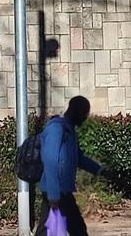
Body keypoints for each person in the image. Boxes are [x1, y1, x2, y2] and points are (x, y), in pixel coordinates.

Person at [35, 96, 105, 236]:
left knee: (72, 229)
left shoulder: (69, 130)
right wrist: (54, 195)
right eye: (84, 114)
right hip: (55, 191)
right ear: (76, 112)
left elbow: (79, 158)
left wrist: (100, 170)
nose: (85, 118)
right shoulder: (56, 128)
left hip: (63, 191)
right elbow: (50, 161)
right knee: (74, 229)